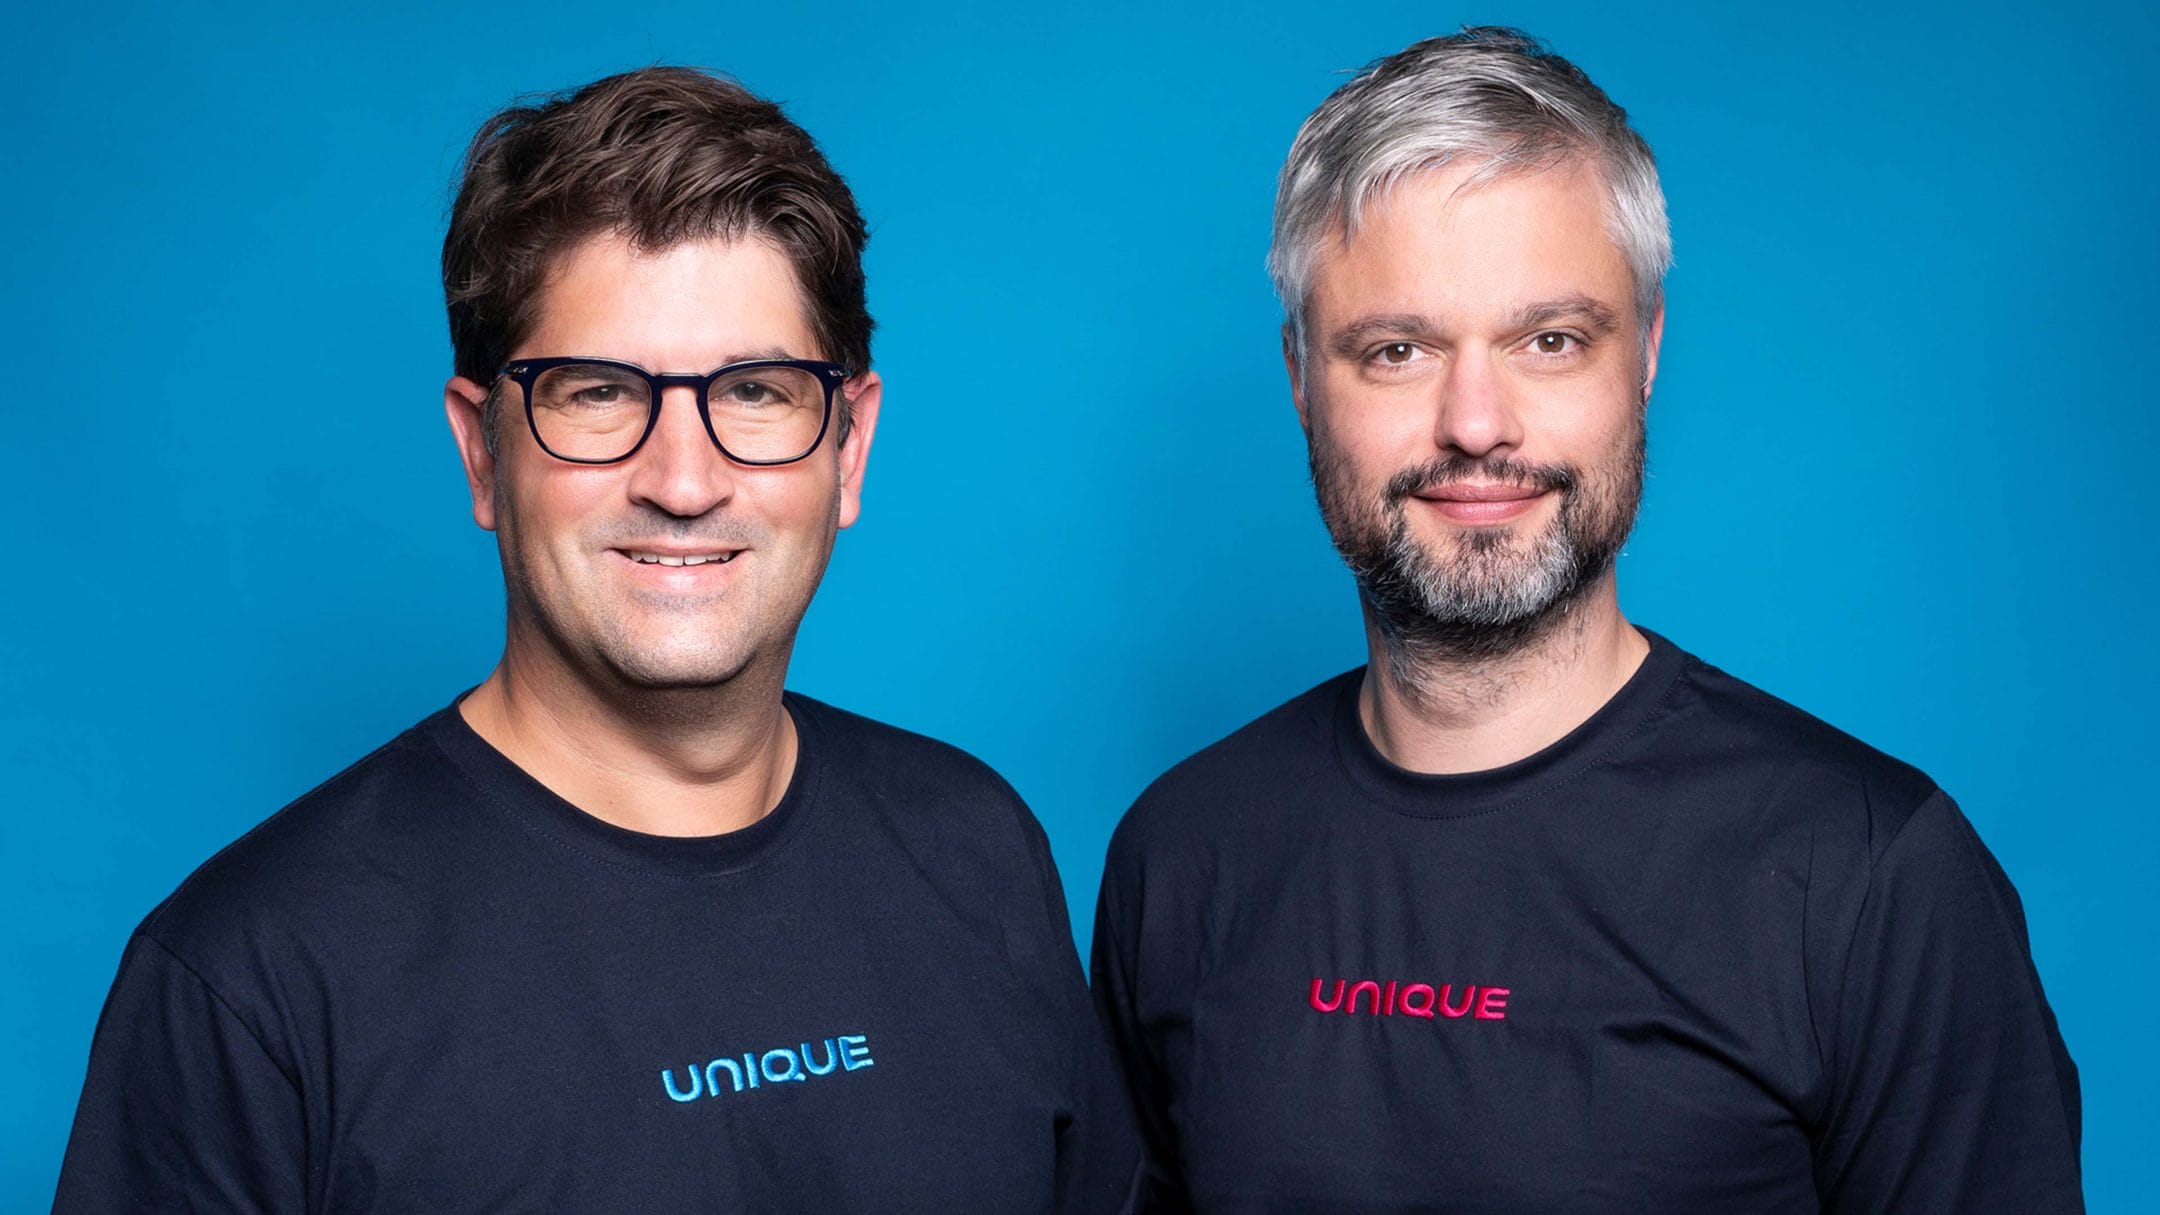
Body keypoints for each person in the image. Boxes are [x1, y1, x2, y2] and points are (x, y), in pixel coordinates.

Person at [55, 67, 1137, 1212]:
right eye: (597, 394)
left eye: (759, 392)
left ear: (849, 447)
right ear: (483, 452)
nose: (684, 480)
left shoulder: (978, 852)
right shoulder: (250, 978)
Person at [1091, 27, 2082, 1214]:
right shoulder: (1182, 855)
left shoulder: (1870, 876)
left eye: (1549, 341)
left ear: (1647, 352)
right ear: (1303, 375)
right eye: (1397, 350)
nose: (1476, 423)